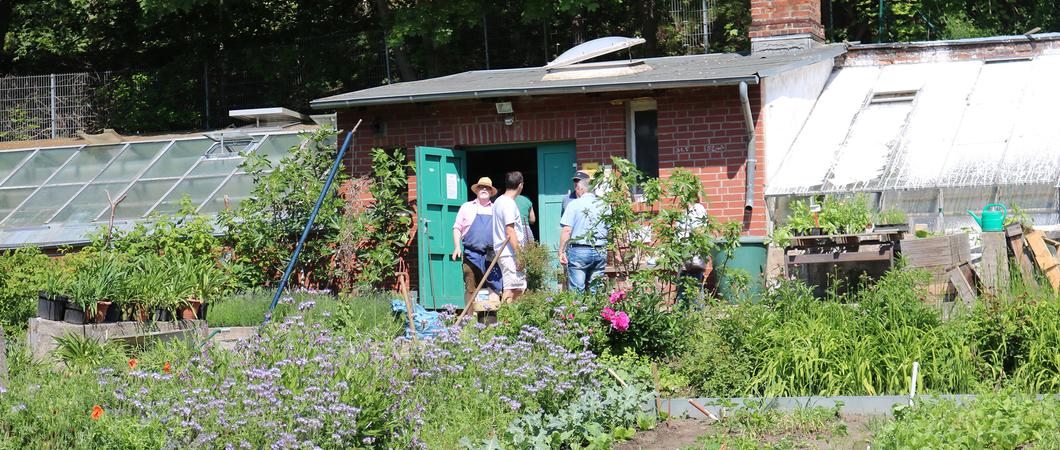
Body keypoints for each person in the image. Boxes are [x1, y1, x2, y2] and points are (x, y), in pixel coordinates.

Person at [451, 177, 503, 302]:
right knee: (470, 287)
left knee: (494, 287)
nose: (484, 189)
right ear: (476, 191)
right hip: (471, 254)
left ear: (491, 192)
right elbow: (457, 228)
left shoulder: (496, 209)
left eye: (487, 188)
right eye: (481, 187)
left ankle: (492, 319)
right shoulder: (467, 207)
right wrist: (457, 247)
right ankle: (470, 319)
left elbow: (503, 231)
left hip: (491, 255)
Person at [559, 176, 609, 293]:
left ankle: (578, 311)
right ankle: (596, 310)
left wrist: (561, 251)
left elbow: (567, 230)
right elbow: (611, 229)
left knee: (577, 290)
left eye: (577, 188)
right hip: (600, 249)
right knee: (596, 290)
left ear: (581, 189)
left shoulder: (574, 205)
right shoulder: (604, 205)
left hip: (579, 250)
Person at [492, 171, 528, 301]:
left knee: (517, 288)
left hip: (506, 251)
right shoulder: (507, 203)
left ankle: (511, 318)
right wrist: (519, 254)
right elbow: (510, 230)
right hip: (509, 252)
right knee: (513, 288)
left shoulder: (499, 201)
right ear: (520, 185)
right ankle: (507, 319)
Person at [675, 200, 709, 308]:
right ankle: (682, 315)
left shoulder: (698, 209)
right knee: (682, 285)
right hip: (682, 254)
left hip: (693, 254)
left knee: (695, 285)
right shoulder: (682, 211)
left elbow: (700, 231)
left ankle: (698, 315)